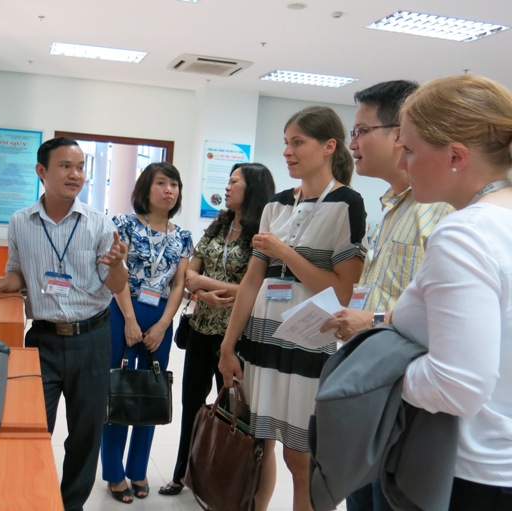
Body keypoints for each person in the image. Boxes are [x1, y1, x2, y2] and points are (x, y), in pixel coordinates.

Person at [219, 106, 367, 511]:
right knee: (257, 446)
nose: (287, 151)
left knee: (300, 458)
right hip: (261, 342)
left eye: (298, 142)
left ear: (329, 146)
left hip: (309, 345)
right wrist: (228, 346)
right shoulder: (276, 204)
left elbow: (341, 291)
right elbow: (252, 283)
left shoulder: (347, 204)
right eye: (286, 142)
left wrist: (284, 252)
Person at [0, 137, 128, 511]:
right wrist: (1, 282)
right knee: (33, 428)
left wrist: (119, 264)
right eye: (65, 166)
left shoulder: (99, 224)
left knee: (86, 433)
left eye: (80, 167)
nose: (75, 175)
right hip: (43, 340)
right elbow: (18, 273)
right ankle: (31, 499)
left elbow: (117, 286)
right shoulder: (20, 222)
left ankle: (71, 505)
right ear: (41, 171)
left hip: (92, 338)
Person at [320, 80, 453, 511]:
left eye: (362, 131)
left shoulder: (440, 212)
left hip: (408, 394)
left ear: (400, 133)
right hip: (374, 383)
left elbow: (438, 319)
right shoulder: (393, 207)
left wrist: (373, 322)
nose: (352, 144)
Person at [392, 74, 512, 510]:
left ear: (456, 156)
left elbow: (457, 386)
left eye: (409, 149)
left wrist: (379, 369)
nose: (401, 163)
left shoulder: (466, 233)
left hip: (474, 474)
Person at [158, 162, 276, 497]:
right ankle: (181, 474)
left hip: (236, 338)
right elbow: (189, 274)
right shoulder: (219, 225)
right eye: (228, 181)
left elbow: (256, 288)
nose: (227, 187)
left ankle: (222, 482)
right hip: (201, 329)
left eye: (234, 182)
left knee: (232, 412)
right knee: (192, 406)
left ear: (252, 189)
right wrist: (202, 292)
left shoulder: (262, 235)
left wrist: (204, 285)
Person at [101, 162, 193, 504]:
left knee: (151, 393)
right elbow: (117, 272)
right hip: (123, 312)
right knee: (118, 389)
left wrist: (164, 324)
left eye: (174, 185)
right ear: (146, 188)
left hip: (160, 319)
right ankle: (114, 473)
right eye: (162, 183)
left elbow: (179, 284)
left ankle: (138, 469)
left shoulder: (183, 236)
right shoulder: (123, 224)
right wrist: (129, 319)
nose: (169, 190)